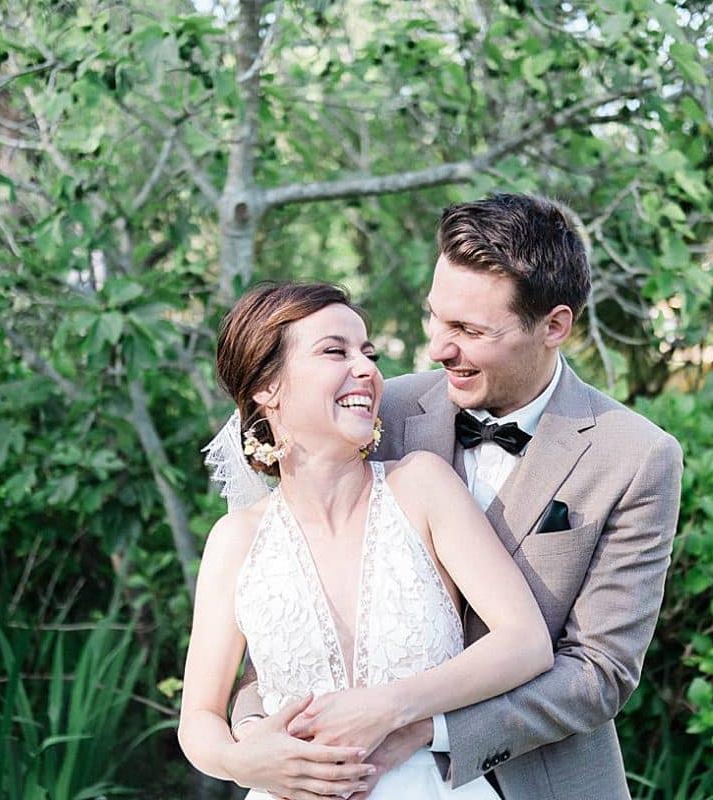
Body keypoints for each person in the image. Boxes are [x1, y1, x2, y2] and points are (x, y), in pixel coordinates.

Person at [230, 193, 684, 800]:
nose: (439, 349)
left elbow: (598, 672)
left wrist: (421, 726)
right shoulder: (375, 409)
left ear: (554, 326)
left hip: (541, 784)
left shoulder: (634, 456)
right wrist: (256, 739)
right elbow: (286, 606)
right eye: (436, 319)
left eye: (468, 330)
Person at [177, 281, 554, 800]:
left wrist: (391, 706)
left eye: (368, 353)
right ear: (267, 385)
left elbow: (526, 642)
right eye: (336, 351)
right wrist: (245, 760)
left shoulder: (421, 487)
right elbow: (198, 717)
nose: (367, 369)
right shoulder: (235, 540)